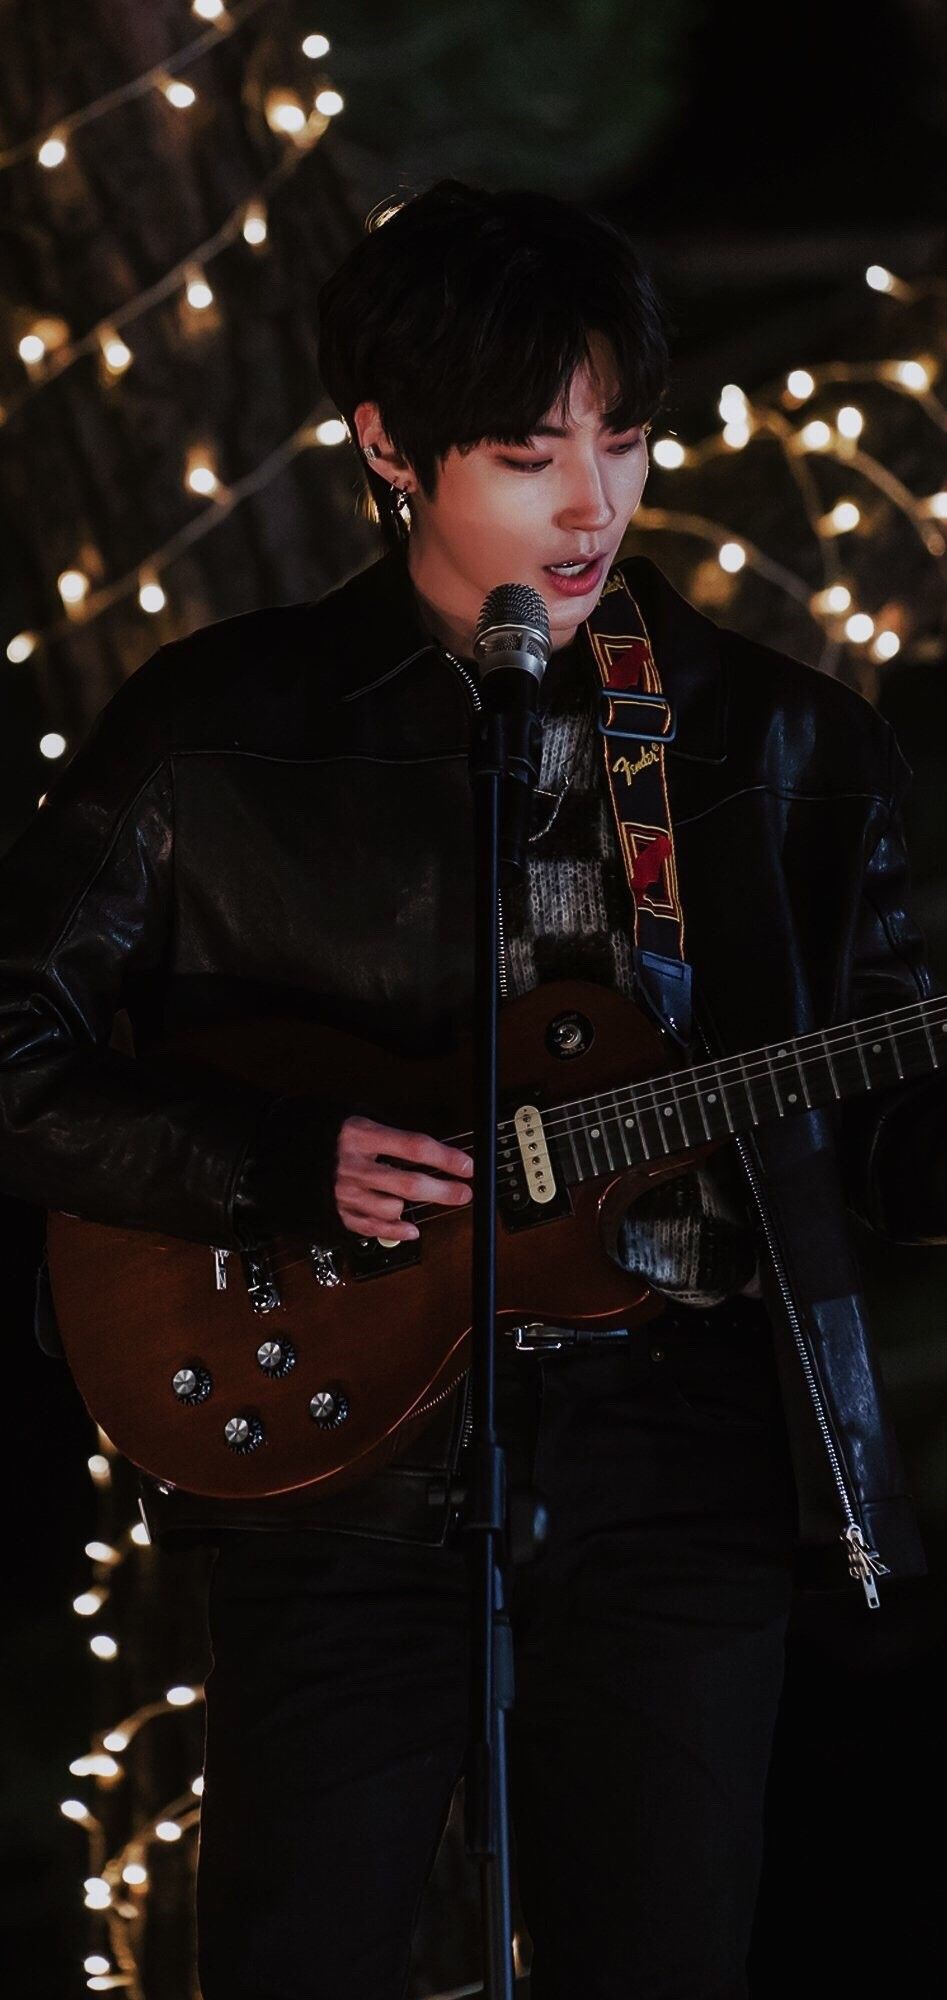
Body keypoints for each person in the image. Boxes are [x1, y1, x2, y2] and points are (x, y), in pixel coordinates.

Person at [0, 180, 942, 2000]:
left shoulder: (783, 742)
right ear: (387, 443)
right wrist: (280, 1160)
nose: (594, 504)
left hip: (680, 1464)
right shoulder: (216, 726)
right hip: (342, 1468)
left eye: (625, 437)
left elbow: (888, 1145)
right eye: (528, 453)